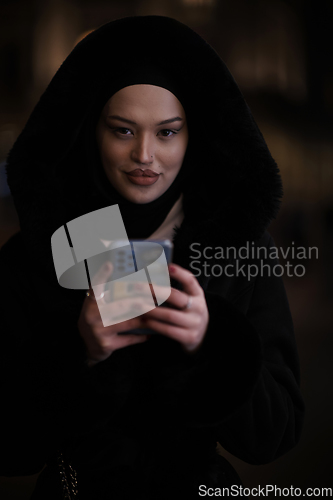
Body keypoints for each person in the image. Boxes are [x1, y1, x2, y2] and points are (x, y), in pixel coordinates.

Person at [0, 15, 304, 500]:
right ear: (91, 131)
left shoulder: (241, 250)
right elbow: (9, 449)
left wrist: (212, 345)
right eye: (123, 130)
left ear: (193, 135)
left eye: (167, 133)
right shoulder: (35, 255)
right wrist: (77, 353)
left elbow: (275, 434)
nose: (144, 155)